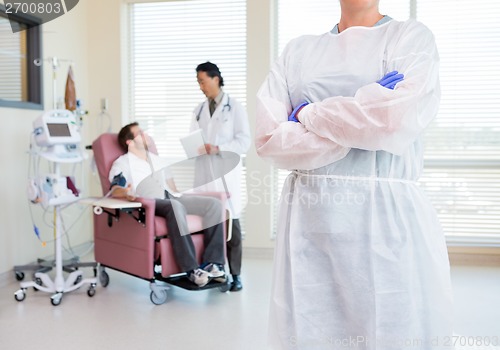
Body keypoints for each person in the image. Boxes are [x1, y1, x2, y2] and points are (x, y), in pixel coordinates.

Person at [255, 1, 453, 349]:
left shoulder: (408, 38)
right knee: (310, 327)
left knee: (391, 328)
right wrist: (360, 115)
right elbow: (270, 138)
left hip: (384, 219)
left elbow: (394, 122)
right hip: (309, 222)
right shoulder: (298, 51)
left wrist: (305, 113)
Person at [109, 122, 227, 288]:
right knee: (175, 206)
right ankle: (192, 269)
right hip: (150, 201)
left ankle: (213, 263)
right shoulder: (123, 163)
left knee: (214, 205)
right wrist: (126, 192)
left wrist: (187, 193)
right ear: (129, 142)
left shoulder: (158, 160)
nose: (145, 134)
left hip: (172, 197)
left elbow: (173, 187)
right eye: (140, 133)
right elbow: (115, 188)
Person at [191, 61, 251, 291]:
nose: (200, 86)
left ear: (216, 79)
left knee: (231, 225)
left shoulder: (234, 107)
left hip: (226, 173)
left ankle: (235, 275)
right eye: (198, 82)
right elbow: (192, 138)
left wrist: (218, 148)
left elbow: (244, 141)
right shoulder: (198, 110)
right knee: (211, 223)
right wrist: (196, 147)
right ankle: (215, 270)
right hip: (205, 173)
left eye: (202, 81)